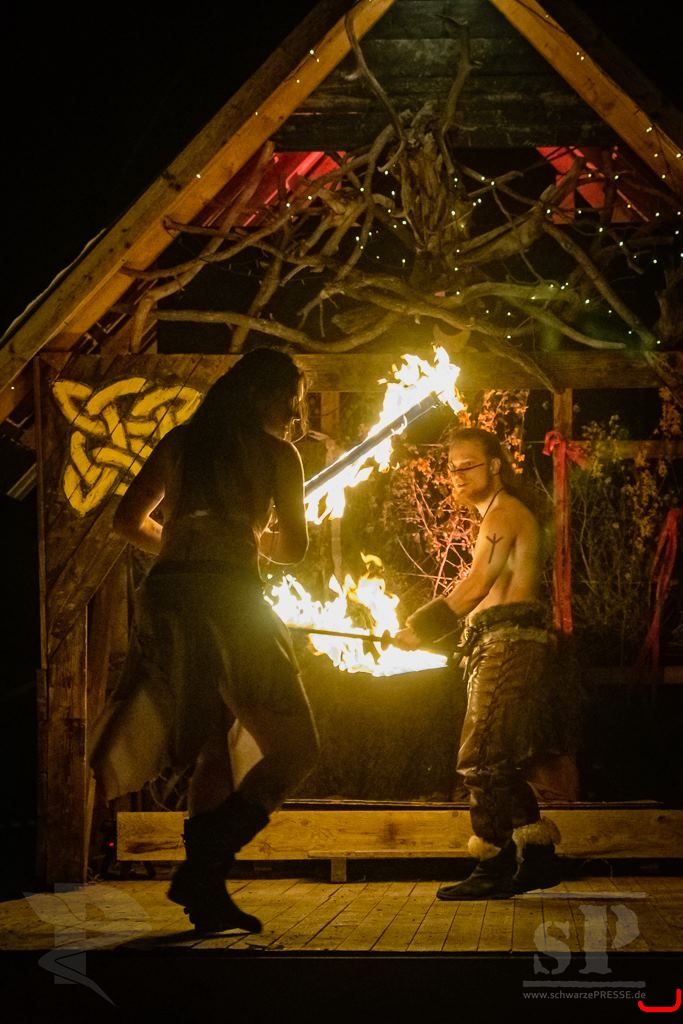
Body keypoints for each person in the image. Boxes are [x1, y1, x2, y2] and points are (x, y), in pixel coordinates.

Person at [89, 347, 320, 933]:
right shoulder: (278, 454)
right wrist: (254, 540)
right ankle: (203, 865)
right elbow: (294, 549)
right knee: (296, 749)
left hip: (166, 598)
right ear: (262, 396)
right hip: (229, 598)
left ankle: (207, 895)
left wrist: (178, 547)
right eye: (290, 402)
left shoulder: (181, 443)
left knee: (212, 746)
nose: (293, 416)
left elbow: (126, 521)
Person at [394, 426, 575, 900]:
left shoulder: (504, 513)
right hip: (497, 642)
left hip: (509, 644)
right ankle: (537, 857)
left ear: (495, 465)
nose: (456, 475)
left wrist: (421, 628)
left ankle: (493, 864)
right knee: (495, 759)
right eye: (451, 467)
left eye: (467, 465)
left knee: (480, 758)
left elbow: (477, 585)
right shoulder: (497, 514)